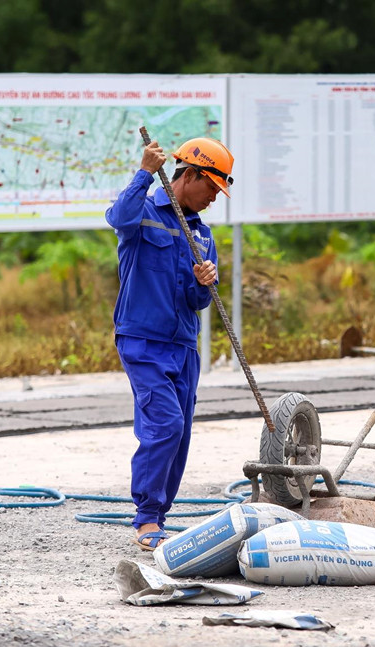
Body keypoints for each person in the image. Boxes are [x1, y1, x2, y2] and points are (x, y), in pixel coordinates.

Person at [106, 136, 234, 550]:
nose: (214, 199)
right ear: (191, 175)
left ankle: (158, 516)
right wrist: (144, 171)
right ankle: (145, 518)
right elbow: (116, 217)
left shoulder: (202, 235)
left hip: (183, 345)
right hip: (142, 340)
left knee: (180, 435)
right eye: (211, 189)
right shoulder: (142, 213)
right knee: (165, 425)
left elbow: (197, 303)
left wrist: (205, 283)